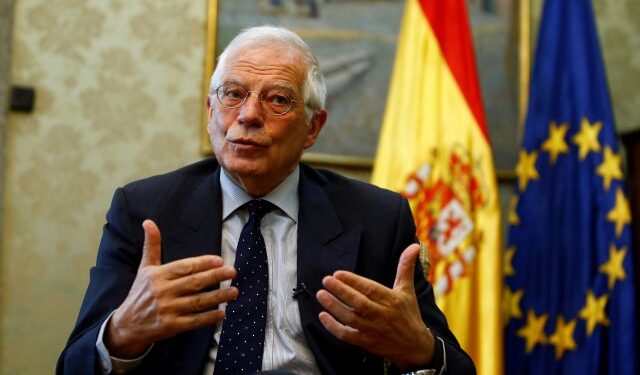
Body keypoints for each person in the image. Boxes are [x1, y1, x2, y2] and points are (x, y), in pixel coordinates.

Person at [57, 26, 475, 375]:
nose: (249, 114)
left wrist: (420, 351)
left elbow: (455, 367)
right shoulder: (145, 209)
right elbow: (72, 365)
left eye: (277, 99)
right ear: (210, 112)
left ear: (313, 128)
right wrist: (121, 333)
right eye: (233, 94)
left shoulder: (377, 218)